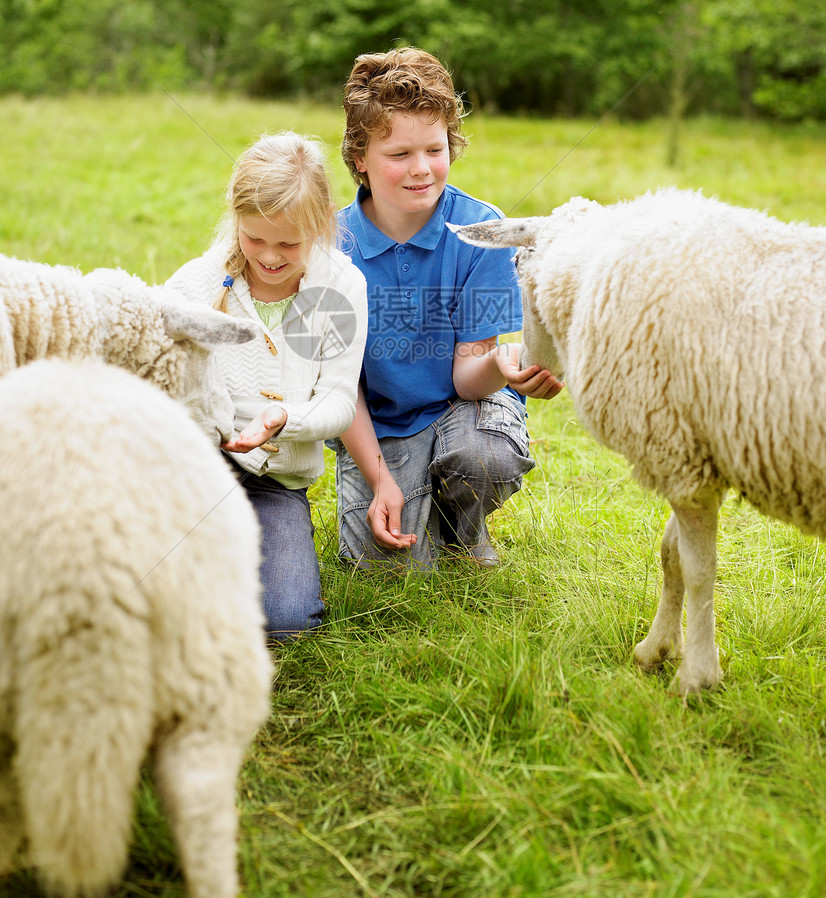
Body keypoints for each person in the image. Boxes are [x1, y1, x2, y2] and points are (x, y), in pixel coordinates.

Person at [333, 48, 563, 570]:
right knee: (385, 567)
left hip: (464, 410)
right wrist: (381, 481)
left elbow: (466, 377)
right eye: (399, 155)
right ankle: (411, 500)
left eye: (434, 150)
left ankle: (464, 527)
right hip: (378, 426)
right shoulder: (332, 246)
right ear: (360, 158)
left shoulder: (481, 230)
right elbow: (340, 387)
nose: (421, 170)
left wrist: (501, 367)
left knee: (486, 458)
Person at [167, 132, 367, 638]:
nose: (271, 257)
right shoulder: (194, 285)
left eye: (288, 244)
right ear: (236, 220)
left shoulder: (343, 285)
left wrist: (284, 420)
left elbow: (340, 400)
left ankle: (270, 558)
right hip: (196, 470)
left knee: (287, 623)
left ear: (321, 224)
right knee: (172, 600)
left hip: (276, 481)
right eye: (254, 239)